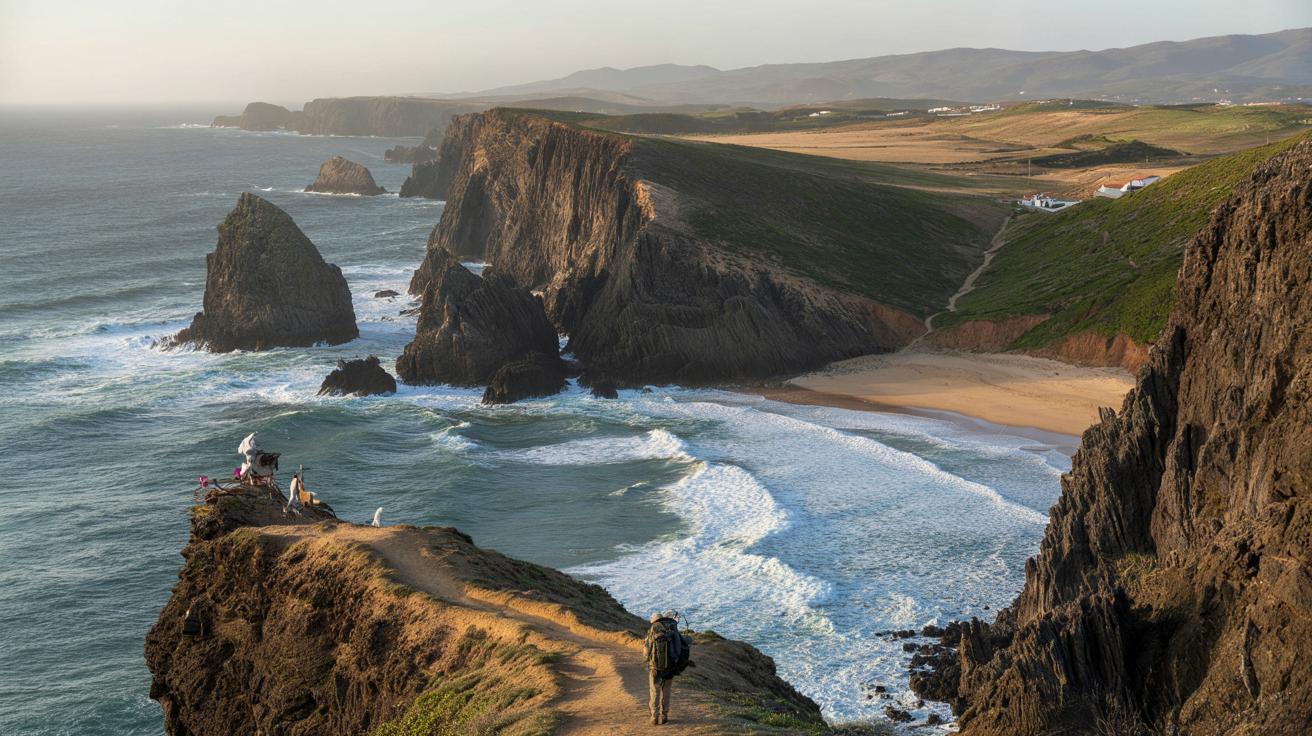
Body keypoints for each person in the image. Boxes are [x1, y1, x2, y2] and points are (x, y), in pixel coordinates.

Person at [643, 610, 690, 725]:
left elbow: (646, 652)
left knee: (654, 691)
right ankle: (664, 716)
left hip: (655, 667)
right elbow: (682, 646)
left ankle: (654, 717)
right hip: (670, 666)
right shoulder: (673, 629)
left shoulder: (652, 630)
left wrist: (649, 660)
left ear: (653, 621)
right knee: (666, 691)